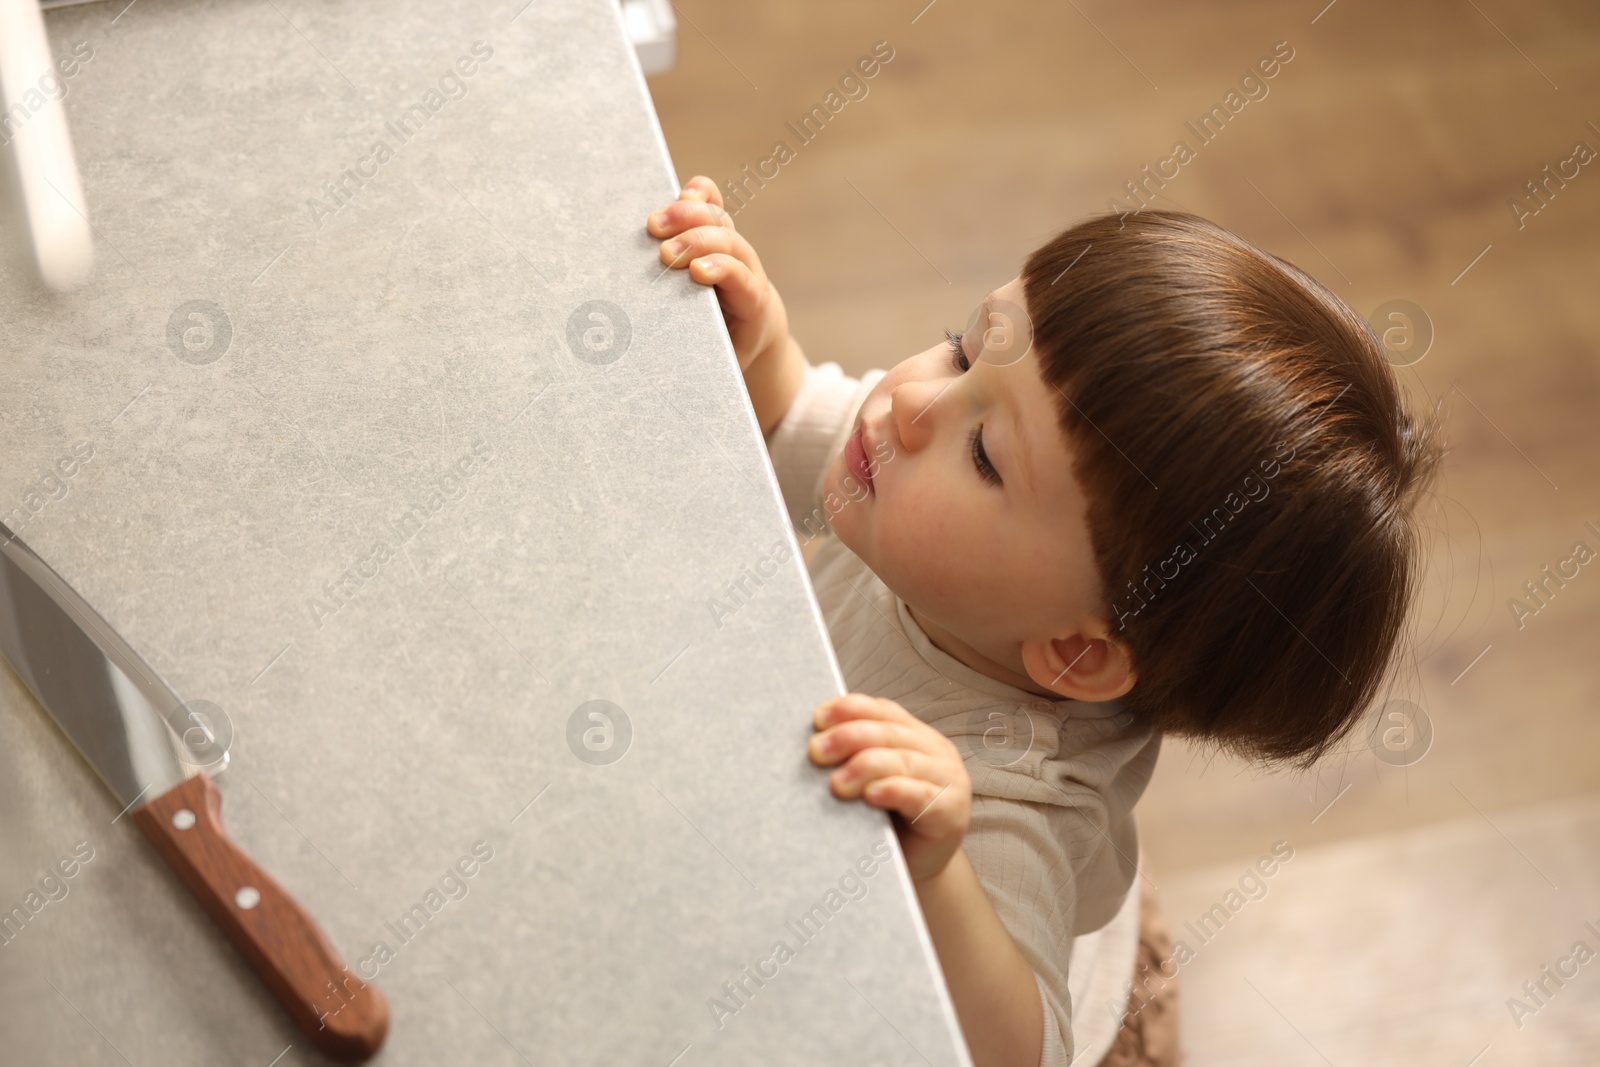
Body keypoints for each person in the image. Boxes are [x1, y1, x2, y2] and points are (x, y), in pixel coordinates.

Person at [646, 176, 1441, 1067]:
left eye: (986, 453)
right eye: (962, 350)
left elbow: (1017, 1054)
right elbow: (800, 423)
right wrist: (763, 350)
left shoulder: (1006, 810)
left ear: (1072, 649)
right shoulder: (913, 491)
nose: (912, 403)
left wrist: (941, 874)